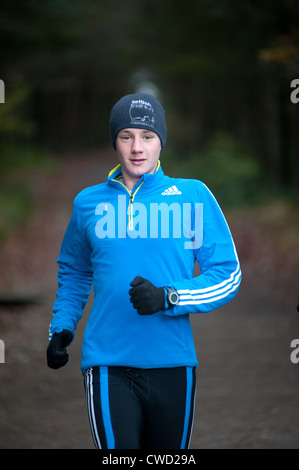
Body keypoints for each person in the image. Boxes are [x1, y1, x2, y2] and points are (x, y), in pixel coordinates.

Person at [47, 92, 242, 449]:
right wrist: (61, 327)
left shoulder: (192, 196)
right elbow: (74, 271)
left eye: (147, 137)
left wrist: (169, 296)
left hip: (173, 361)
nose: (137, 147)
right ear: (115, 142)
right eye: (127, 136)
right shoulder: (88, 202)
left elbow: (227, 274)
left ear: (160, 143)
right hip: (107, 363)